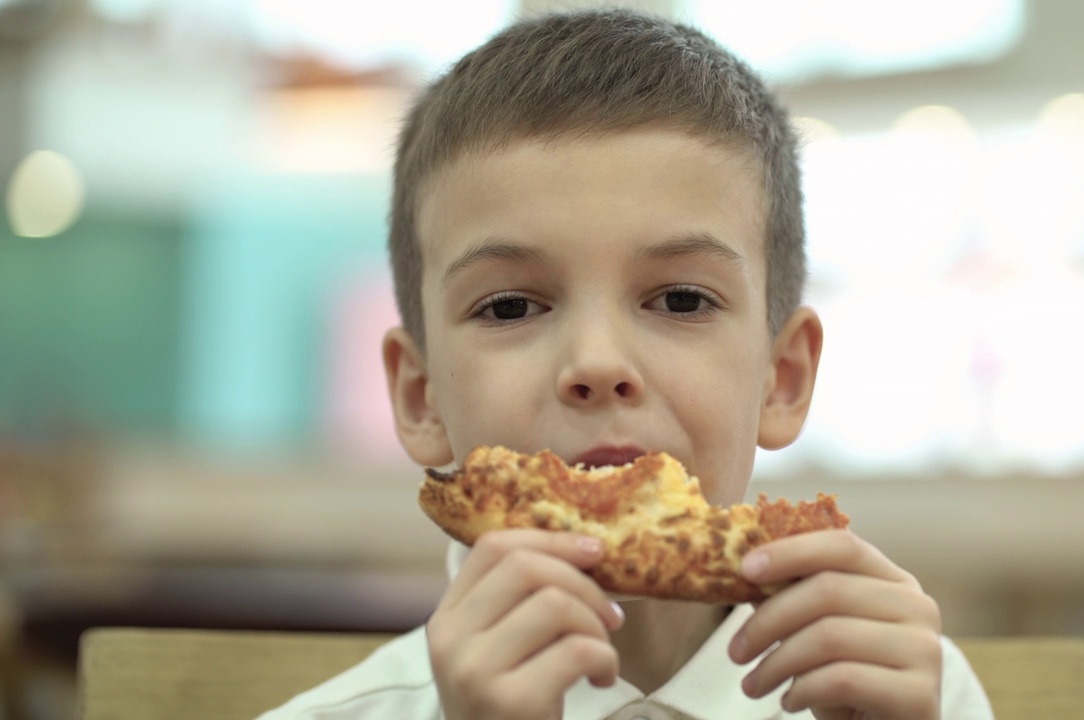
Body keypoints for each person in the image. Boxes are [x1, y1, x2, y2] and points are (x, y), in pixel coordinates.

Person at [261, 8, 994, 720]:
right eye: (511, 307)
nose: (597, 362)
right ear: (421, 399)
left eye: (680, 299)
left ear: (783, 379)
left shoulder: (911, 695)